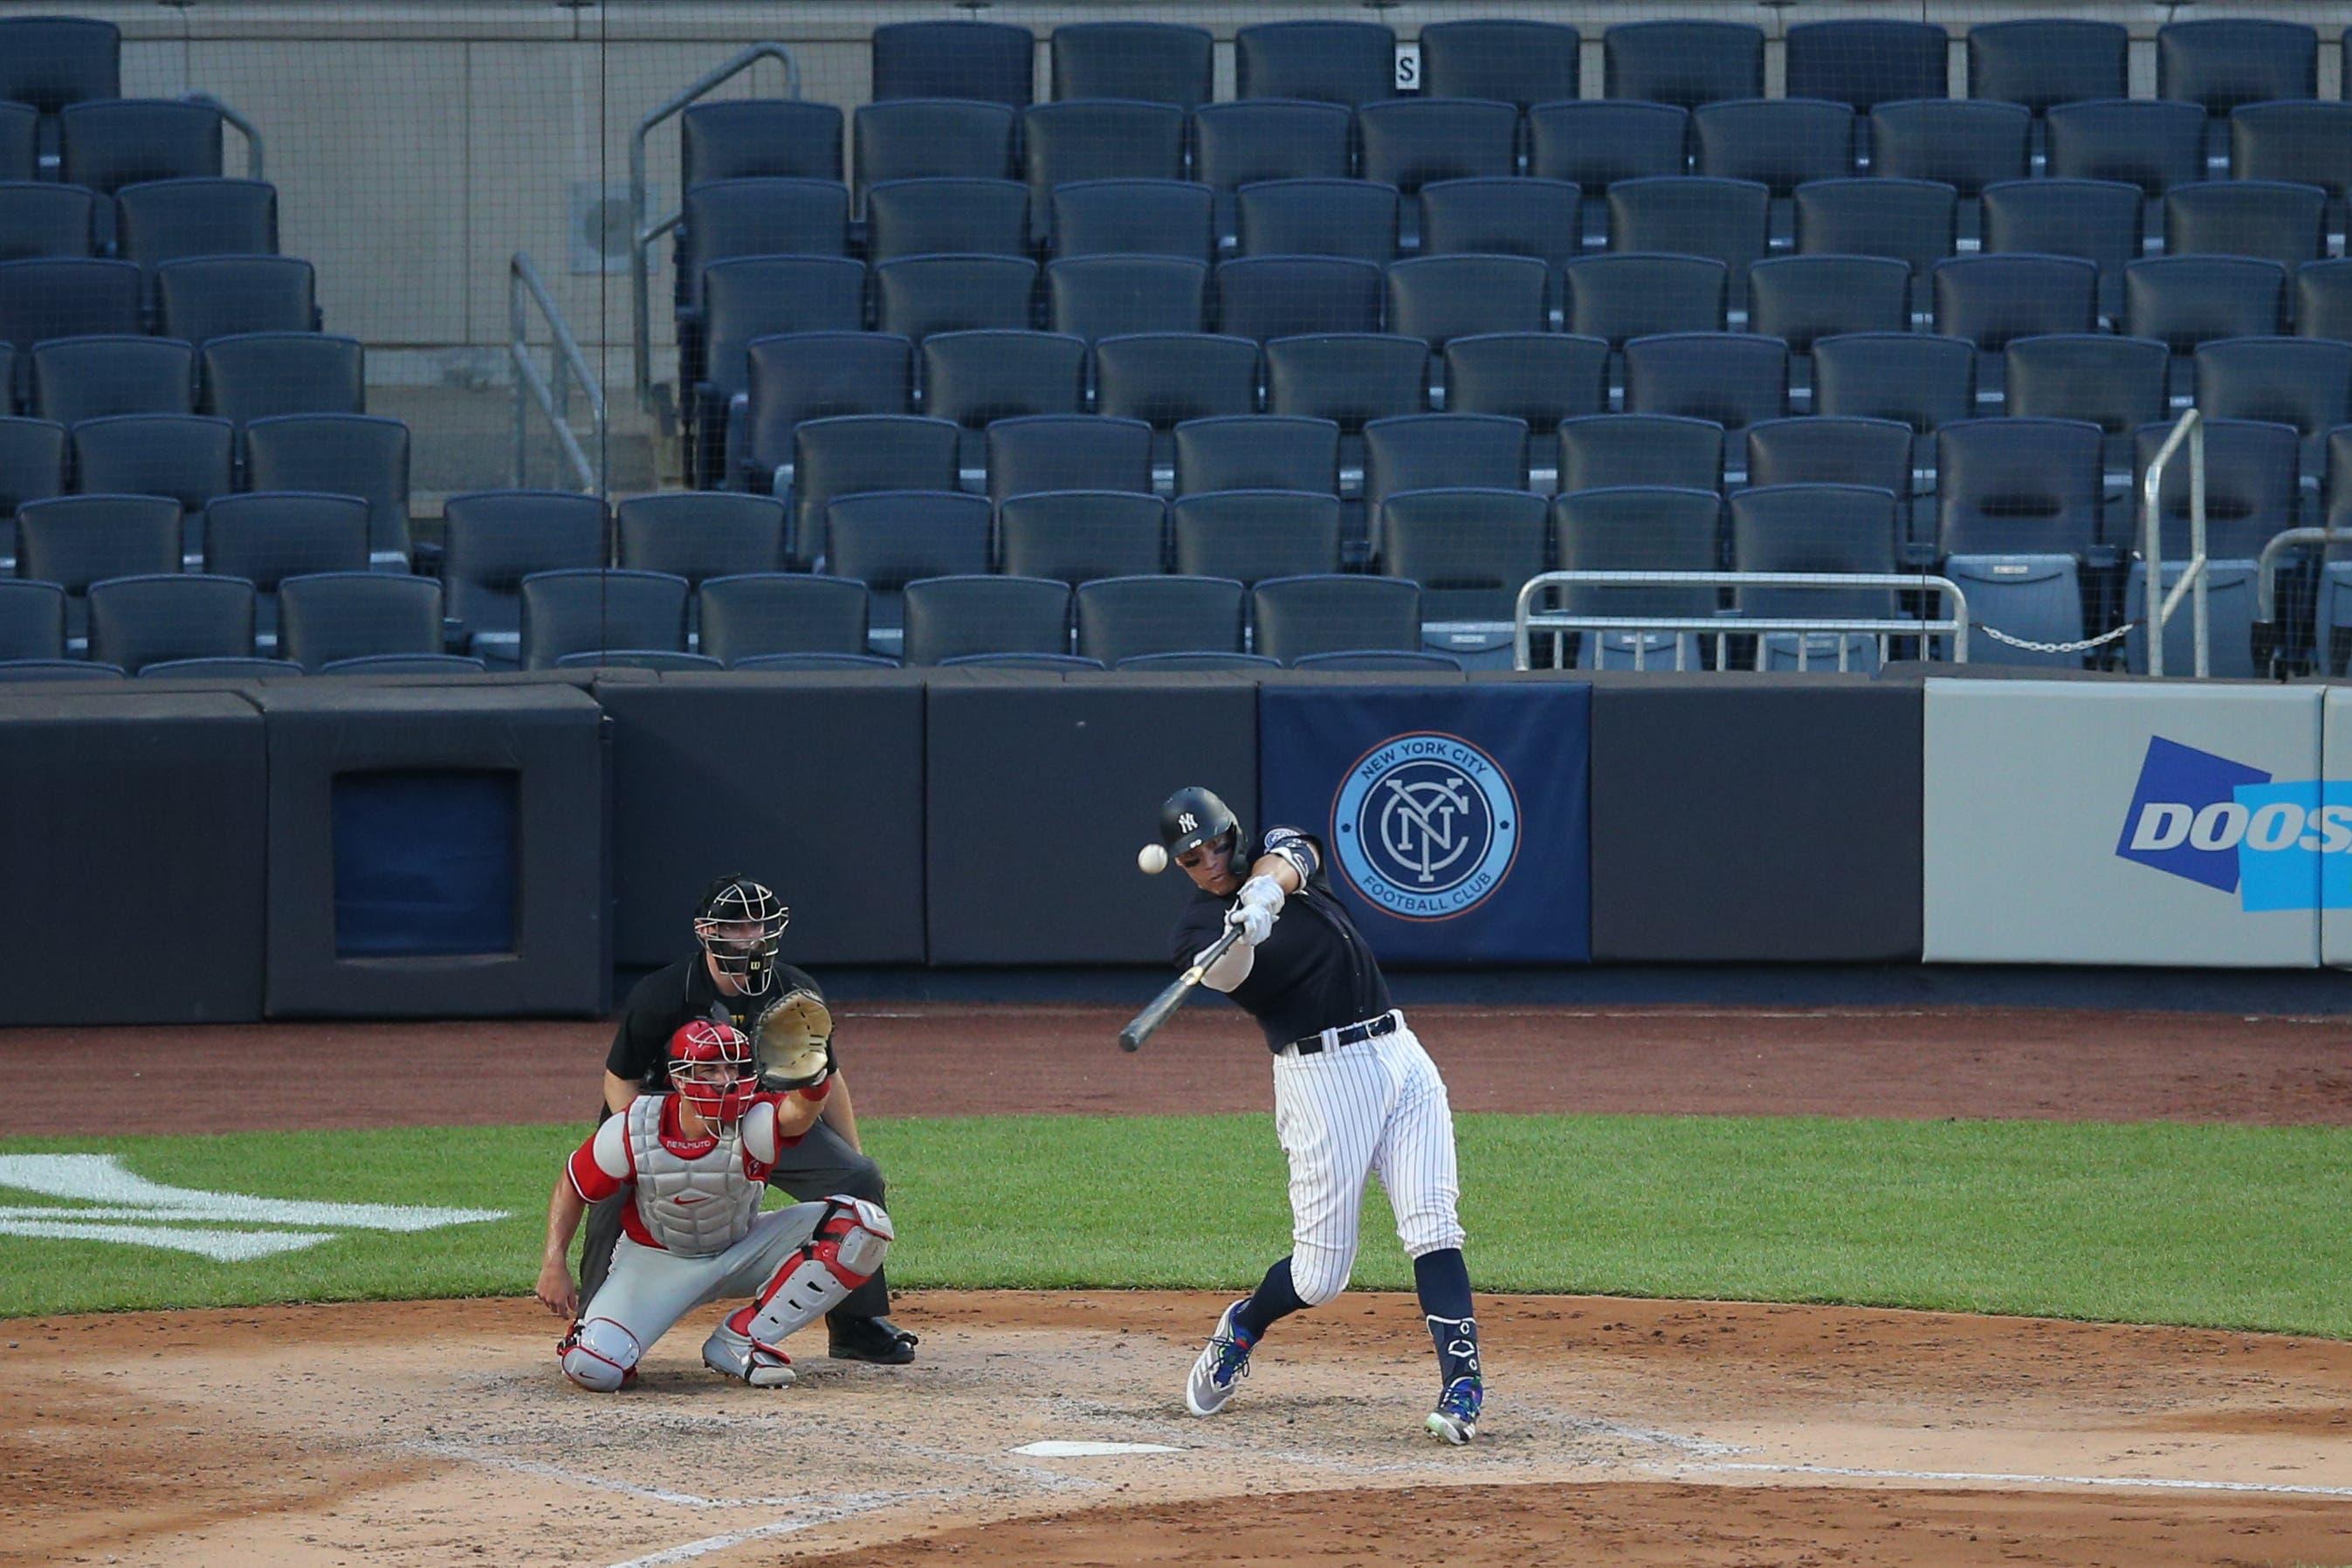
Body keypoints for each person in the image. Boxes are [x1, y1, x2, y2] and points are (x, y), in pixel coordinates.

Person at [1156, 786, 1483, 1443]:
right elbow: (1226, 976)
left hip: (1402, 1056)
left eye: (1218, 842)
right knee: (1320, 1275)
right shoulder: (1197, 933)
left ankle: (1462, 1384)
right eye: (1194, 856)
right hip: (1323, 1081)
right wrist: (1238, 935)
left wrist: (1264, 896)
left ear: (1234, 832)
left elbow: (1296, 856)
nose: (1212, 861)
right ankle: (1244, 1325)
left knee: (1433, 1223)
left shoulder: (1274, 851)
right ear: (1180, 866)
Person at [582, 874, 918, 1365]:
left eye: (758, 926)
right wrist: (643, 1143)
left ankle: (855, 1325)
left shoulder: (795, 989)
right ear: (707, 932)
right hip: (675, 1115)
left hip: (761, 1117)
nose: (750, 938)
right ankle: (593, 1320)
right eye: (737, 927)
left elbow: (828, 1078)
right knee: (610, 1187)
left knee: (859, 1177)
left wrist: (852, 1154)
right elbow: (620, 1078)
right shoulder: (663, 993)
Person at [534, 1019, 896, 1391]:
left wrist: (813, 1076)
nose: (725, 1080)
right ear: (678, 1078)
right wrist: (554, 1261)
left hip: (740, 1249)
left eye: (733, 1068)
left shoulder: (753, 1119)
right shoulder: (634, 1129)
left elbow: (799, 1113)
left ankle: (742, 1340)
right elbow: (573, 1185)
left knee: (862, 1226)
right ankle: (596, 1334)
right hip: (655, 1263)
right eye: (710, 1069)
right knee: (593, 1369)